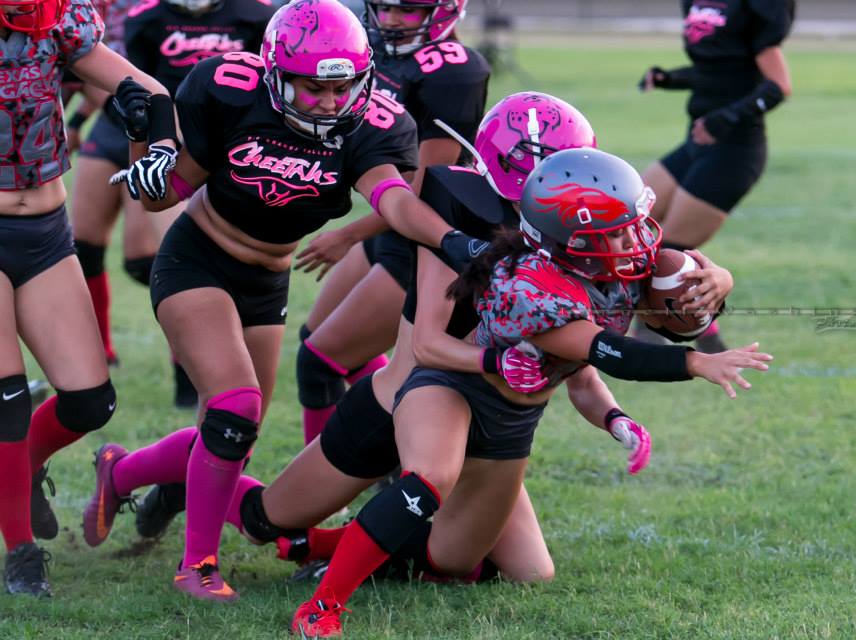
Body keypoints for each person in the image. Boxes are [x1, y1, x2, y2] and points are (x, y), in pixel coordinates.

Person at [80, 0, 490, 601]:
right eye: (313, 89)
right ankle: (197, 566)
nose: (330, 102)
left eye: (343, 86)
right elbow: (164, 197)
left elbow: (393, 199)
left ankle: (121, 472)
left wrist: (451, 238)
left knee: (233, 433)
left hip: (268, 281)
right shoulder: (230, 90)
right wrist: (152, 168)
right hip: (198, 257)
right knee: (235, 406)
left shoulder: (376, 123)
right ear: (274, 76)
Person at [290, 148, 773, 637]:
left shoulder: (611, 265)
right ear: (573, 241)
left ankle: (325, 544)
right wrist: (696, 363)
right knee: (427, 480)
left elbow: (583, 376)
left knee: (479, 563)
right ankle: (322, 605)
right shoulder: (527, 289)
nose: (636, 240)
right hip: (453, 391)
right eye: (618, 232)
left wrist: (717, 280)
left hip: (513, 422)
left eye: (634, 224)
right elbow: (606, 353)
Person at [0, 0, 174, 597]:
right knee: (7, 398)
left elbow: (149, 92)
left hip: (46, 229)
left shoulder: (56, 16)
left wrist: (154, 137)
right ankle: (21, 552)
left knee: (89, 401)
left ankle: (22, 469)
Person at [293, 0, 488, 445]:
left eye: (409, 11)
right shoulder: (374, 52)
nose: (393, 20)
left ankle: (322, 480)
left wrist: (347, 233)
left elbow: (422, 185)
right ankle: (385, 449)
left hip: (428, 237)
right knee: (319, 343)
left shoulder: (454, 71)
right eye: (384, 8)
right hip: (393, 223)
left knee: (320, 362)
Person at [71, 0, 276, 409]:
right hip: (133, 129)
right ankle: (100, 352)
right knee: (84, 244)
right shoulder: (145, 17)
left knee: (153, 258)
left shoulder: (255, 15)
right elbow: (125, 82)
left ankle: (189, 368)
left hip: (193, 142)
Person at [638, 0, 794, 352]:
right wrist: (670, 78)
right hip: (696, 141)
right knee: (629, 217)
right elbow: (716, 70)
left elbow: (778, 86)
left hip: (733, 151)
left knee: (668, 254)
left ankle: (645, 338)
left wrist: (724, 119)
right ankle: (707, 340)